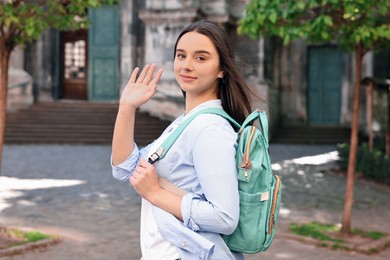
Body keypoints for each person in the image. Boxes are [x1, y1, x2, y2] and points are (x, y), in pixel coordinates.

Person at [111, 20, 253, 260]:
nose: (187, 65)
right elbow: (125, 169)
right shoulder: (185, 123)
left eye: (201, 58)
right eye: (181, 55)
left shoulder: (210, 129)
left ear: (221, 69)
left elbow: (224, 218)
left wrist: (155, 193)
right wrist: (126, 108)